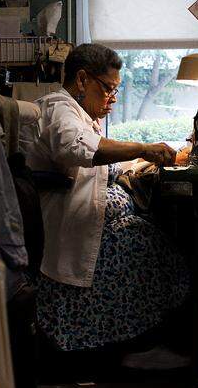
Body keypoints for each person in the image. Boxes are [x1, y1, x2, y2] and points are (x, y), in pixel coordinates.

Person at [21, 43, 189, 368]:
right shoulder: (59, 108)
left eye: (116, 90)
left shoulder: (81, 116)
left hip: (95, 224)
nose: (112, 98)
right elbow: (76, 149)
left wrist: (141, 161)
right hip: (71, 229)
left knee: (159, 238)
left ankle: (139, 345)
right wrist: (142, 148)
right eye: (108, 89)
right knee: (157, 251)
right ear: (82, 80)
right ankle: (136, 348)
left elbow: (101, 166)